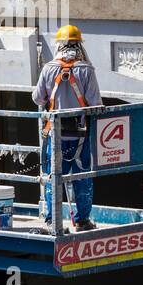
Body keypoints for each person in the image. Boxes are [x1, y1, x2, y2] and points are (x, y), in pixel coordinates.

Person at [33, 24, 101, 232]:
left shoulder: (48, 69)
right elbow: (96, 105)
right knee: (81, 178)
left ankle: (53, 222)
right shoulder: (86, 70)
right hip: (79, 135)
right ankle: (82, 221)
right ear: (79, 45)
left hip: (55, 134)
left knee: (54, 177)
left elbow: (37, 98)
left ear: (59, 46)